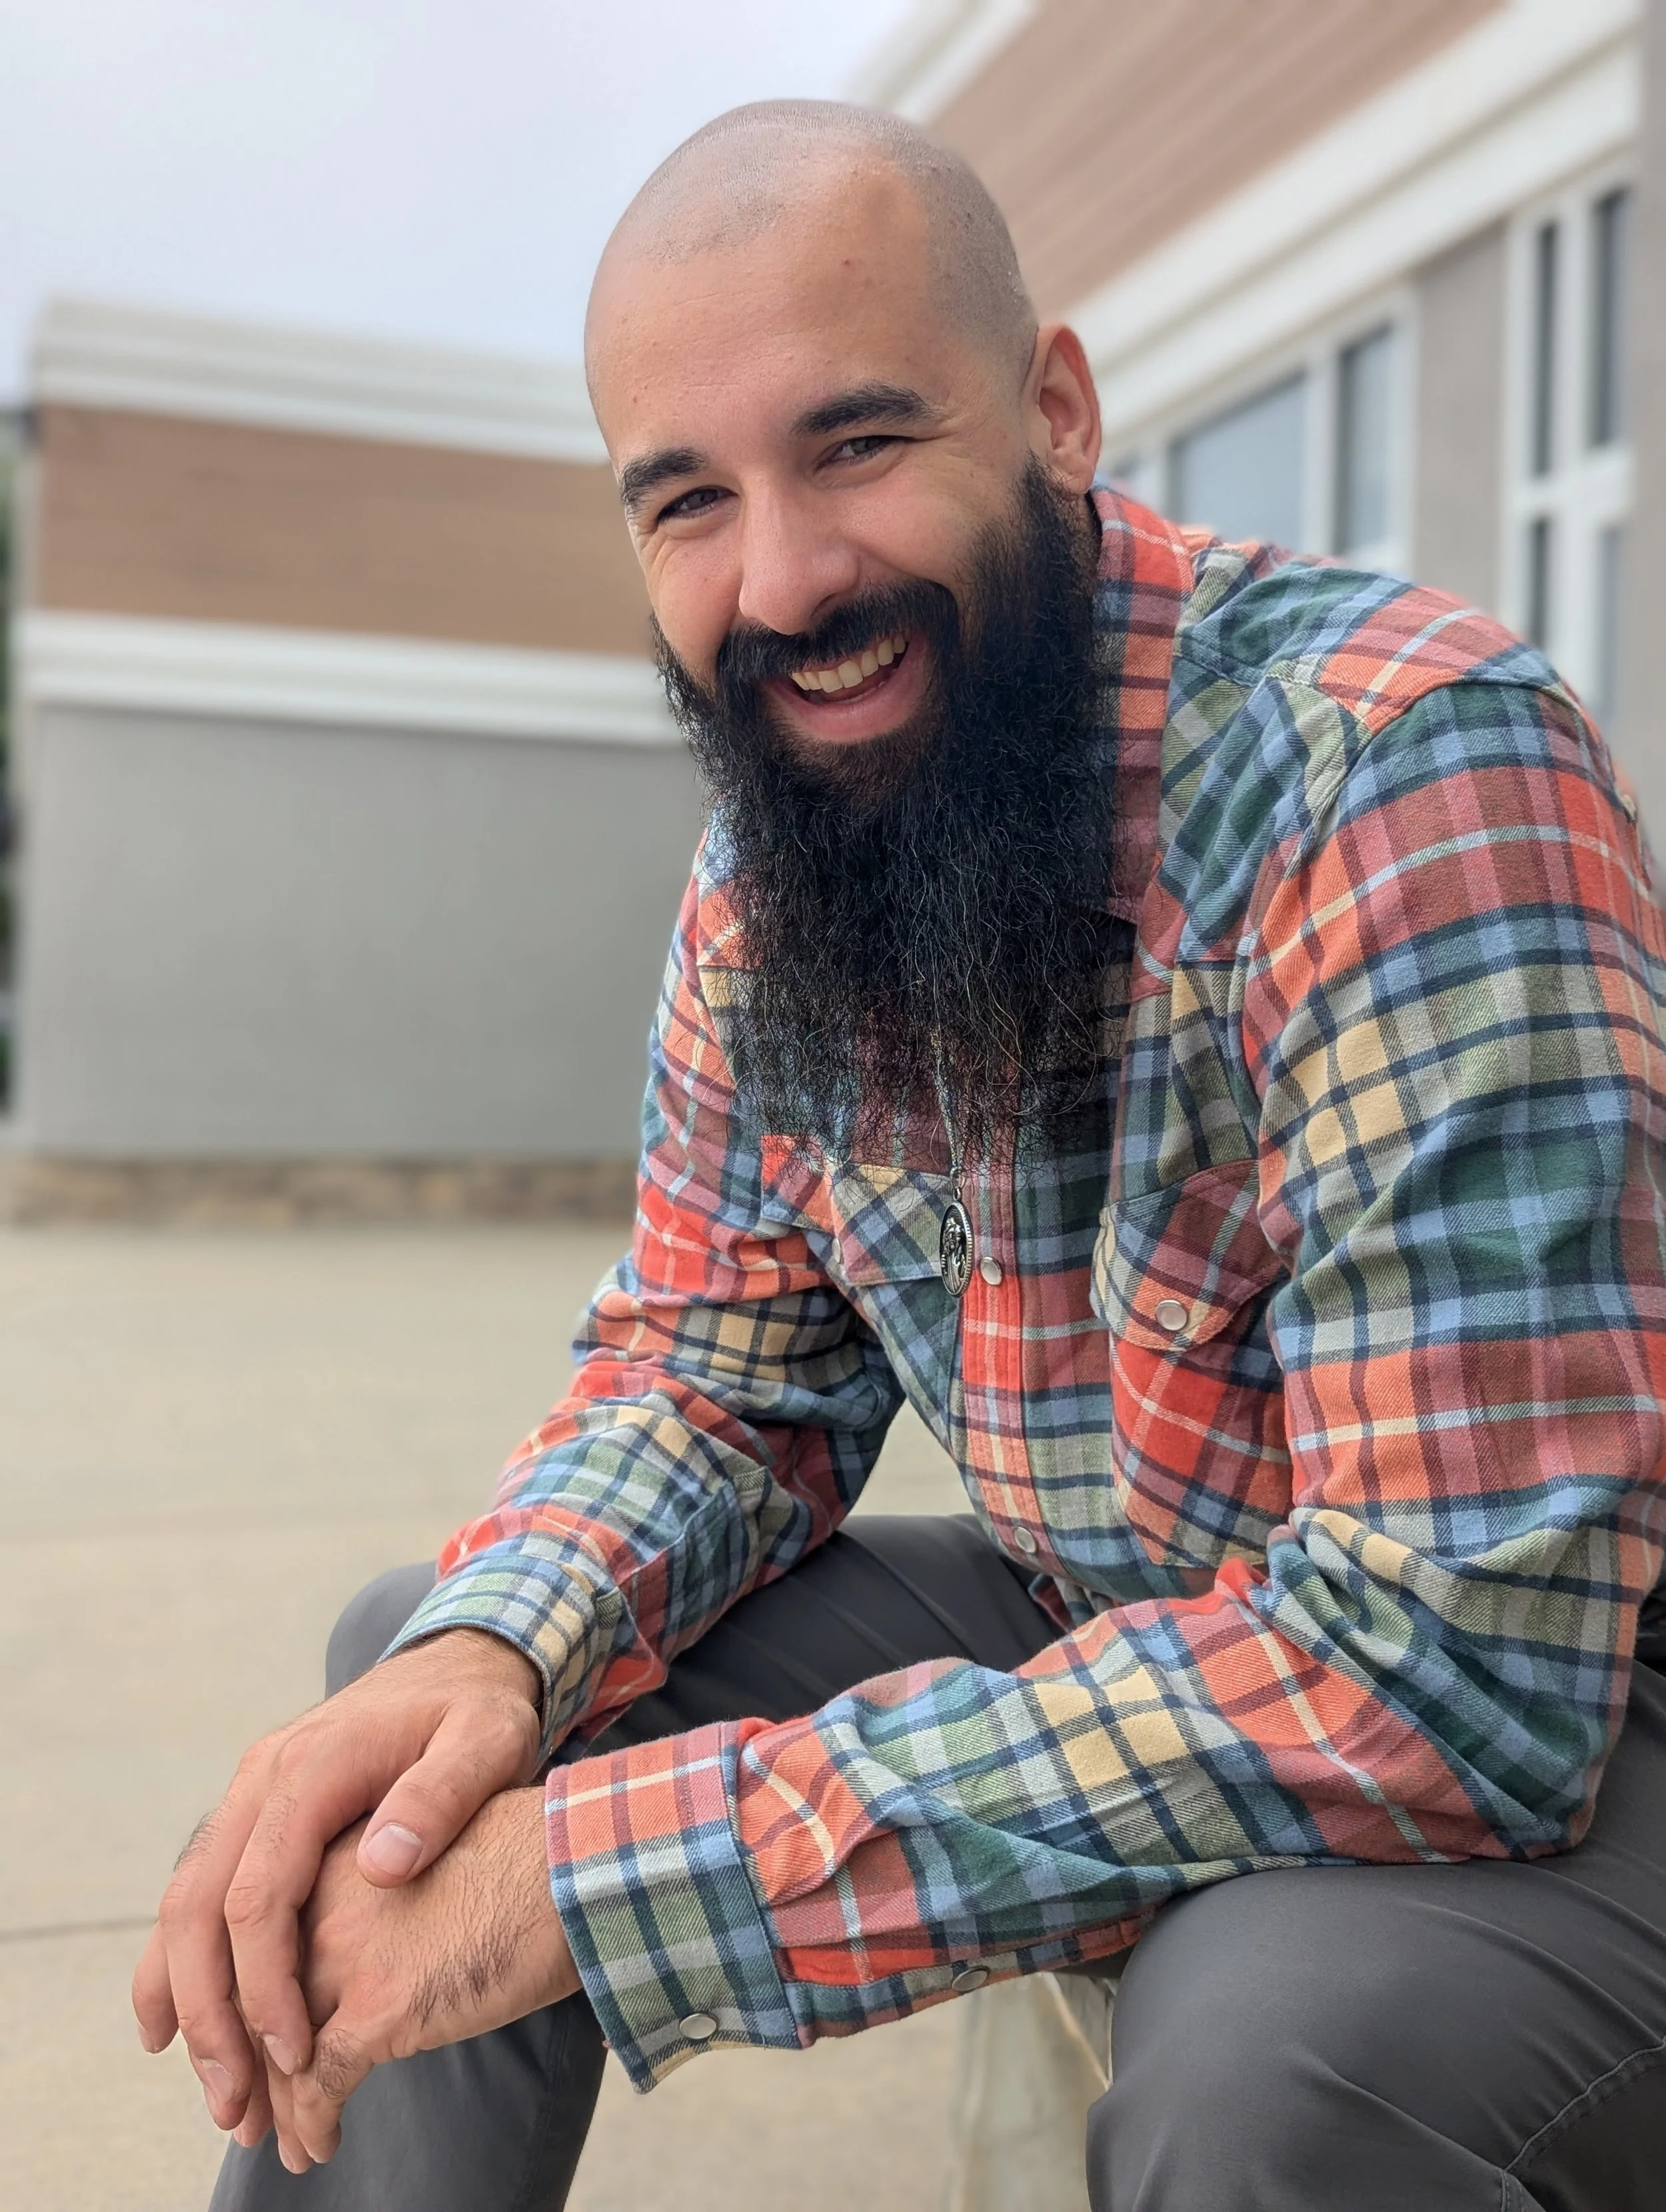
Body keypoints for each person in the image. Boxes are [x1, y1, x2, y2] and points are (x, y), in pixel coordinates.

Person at [135, 101, 1666, 2211]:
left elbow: (1460, 1664)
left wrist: (597, 1883)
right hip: (1126, 1605)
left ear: (1050, 411)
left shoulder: (1403, 770)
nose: (781, 583)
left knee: (1267, 2047)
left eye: (854, 446)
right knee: (413, 1736)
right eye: (688, 501)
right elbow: (711, 1370)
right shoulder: (783, 865)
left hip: (1583, 1712)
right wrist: (490, 1662)